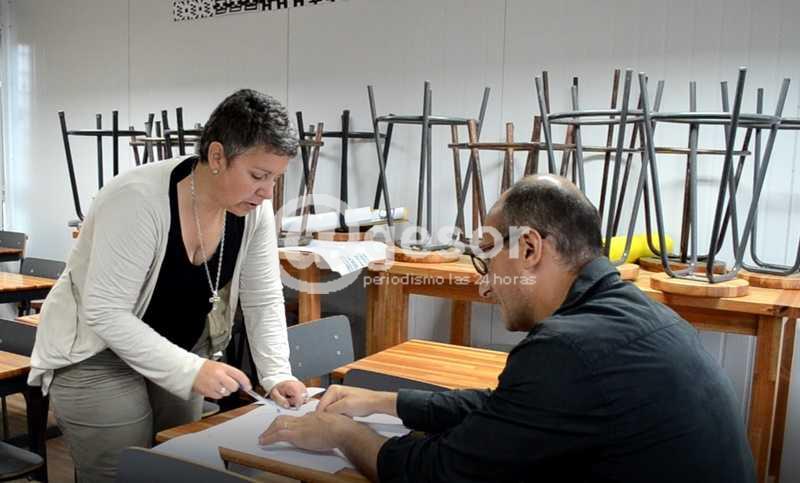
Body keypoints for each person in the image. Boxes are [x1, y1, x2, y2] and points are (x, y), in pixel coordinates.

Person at [258, 175, 755, 483]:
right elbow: (507, 411)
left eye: (487, 259)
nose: (486, 285)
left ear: (531, 249)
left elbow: (439, 473)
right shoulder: (639, 314)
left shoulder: (569, 349)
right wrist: (385, 402)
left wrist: (344, 434)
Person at [29, 89, 307, 482]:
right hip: (96, 353)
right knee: (124, 473)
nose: (267, 193)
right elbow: (105, 312)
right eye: (258, 176)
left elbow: (262, 297)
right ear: (217, 156)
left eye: (276, 179)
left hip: (178, 348)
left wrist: (276, 373)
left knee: (179, 465)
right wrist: (191, 369)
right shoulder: (137, 200)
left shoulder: (252, 212)